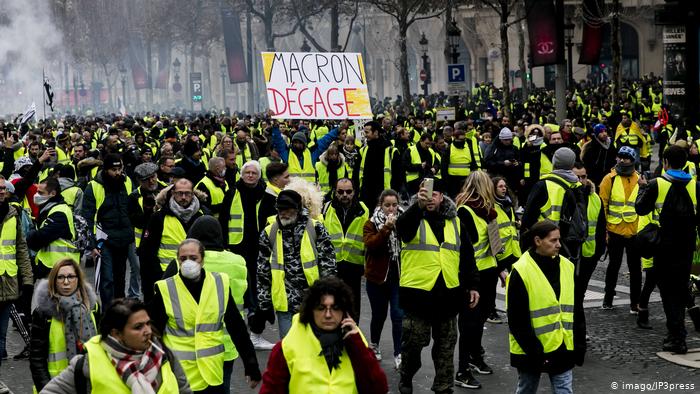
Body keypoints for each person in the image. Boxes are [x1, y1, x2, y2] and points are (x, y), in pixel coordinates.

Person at [396, 178, 480, 394]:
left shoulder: (455, 222)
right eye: (425, 193)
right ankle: (406, 375)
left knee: (445, 347)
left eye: (434, 194)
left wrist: (472, 285)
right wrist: (418, 206)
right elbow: (402, 229)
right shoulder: (412, 216)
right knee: (414, 343)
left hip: (448, 295)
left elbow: (467, 256)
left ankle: (444, 387)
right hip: (418, 295)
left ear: (442, 196)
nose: (430, 197)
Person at [150, 239, 261, 392]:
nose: (188, 262)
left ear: (202, 260)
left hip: (212, 373)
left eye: (193, 258)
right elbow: (153, 333)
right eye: (183, 259)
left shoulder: (219, 284)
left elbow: (237, 327)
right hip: (180, 376)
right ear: (178, 261)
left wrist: (251, 364)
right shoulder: (166, 289)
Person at [259, 276, 388, 394]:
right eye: (321, 308)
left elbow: (378, 389)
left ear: (345, 311)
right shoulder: (287, 348)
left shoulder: (356, 342)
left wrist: (357, 346)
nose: (328, 315)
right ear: (311, 310)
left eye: (335, 308)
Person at [40, 298, 192, 393]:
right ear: (116, 333)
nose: (147, 331)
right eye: (138, 327)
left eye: (148, 324)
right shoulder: (89, 362)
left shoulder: (164, 354)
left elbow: (184, 390)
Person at [635, 145, 700, 354]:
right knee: (680, 289)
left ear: (664, 162)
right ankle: (678, 334)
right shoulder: (696, 186)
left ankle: (677, 337)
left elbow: (640, 208)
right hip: (687, 245)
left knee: (668, 292)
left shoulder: (656, 184)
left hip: (664, 246)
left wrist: (642, 187)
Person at [506, 221, 584, 394]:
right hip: (531, 350)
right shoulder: (521, 270)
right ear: (537, 241)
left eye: (559, 240)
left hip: (562, 346)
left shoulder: (567, 266)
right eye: (553, 240)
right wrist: (536, 353)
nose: (558, 245)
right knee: (527, 389)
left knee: (564, 390)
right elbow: (517, 320)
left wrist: (579, 345)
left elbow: (577, 310)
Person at [257, 189, 337, 338]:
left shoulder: (315, 228)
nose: (284, 213)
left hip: (313, 300)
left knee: (314, 347)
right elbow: (263, 270)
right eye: (280, 209)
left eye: (288, 209)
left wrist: (328, 295)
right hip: (285, 302)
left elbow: (328, 265)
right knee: (289, 350)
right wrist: (264, 303)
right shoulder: (269, 233)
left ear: (298, 209)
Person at [218, 160, 272, 350]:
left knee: (258, 288)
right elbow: (223, 220)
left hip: (260, 247)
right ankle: (237, 329)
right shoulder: (232, 192)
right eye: (247, 172)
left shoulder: (266, 194)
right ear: (241, 174)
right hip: (236, 247)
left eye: (254, 173)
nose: (250, 175)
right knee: (238, 288)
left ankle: (255, 332)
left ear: (259, 175)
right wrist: (223, 245)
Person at [454, 171, 500, 389]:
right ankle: (462, 369)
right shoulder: (466, 212)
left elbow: (493, 243)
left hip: (489, 270)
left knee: (479, 321)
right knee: (469, 323)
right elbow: (466, 249)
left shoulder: (488, 212)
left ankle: (474, 356)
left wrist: (500, 267)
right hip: (474, 276)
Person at [30, 259, 98, 392]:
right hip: (55, 387)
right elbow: (37, 360)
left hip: (88, 385)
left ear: (78, 279)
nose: (66, 282)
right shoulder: (43, 313)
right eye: (60, 277)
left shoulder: (93, 308)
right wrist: (46, 389)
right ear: (54, 280)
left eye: (70, 277)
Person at [139, 178, 206, 303]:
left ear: (193, 194)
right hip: (166, 276)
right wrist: (151, 284)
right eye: (180, 193)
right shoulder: (159, 217)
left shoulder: (203, 216)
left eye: (187, 193)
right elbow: (147, 253)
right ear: (173, 193)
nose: (184, 197)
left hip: (196, 276)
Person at [363, 189, 404, 369]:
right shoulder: (371, 223)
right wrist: (386, 228)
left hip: (398, 276)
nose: (391, 209)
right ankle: (374, 344)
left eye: (394, 205)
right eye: (387, 205)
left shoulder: (402, 221)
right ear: (381, 205)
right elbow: (372, 246)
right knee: (379, 315)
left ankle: (398, 352)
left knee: (398, 315)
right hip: (377, 278)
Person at [0, 175, 33, 393]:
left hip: (7, 281)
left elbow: (21, 248)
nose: (1, 192)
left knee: (1, 338)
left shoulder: (14, 214)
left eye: (3, 188)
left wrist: (28, 278)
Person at [598, 146, 641, 311]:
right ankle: (608, 299)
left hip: (634, 232)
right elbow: (603, 206)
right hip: (614, 231)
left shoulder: (639, 179)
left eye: (626, 157)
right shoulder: (609, 179)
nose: (622, 160)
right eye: (620, 157)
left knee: (635, 269)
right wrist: (605, 232)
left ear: (633, 160)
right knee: (613, 267)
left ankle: (634, 304)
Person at [321, 178, 369, 322]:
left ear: (354, 192)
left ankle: (352, 337)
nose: (345, 195)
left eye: (348, 191)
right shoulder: (327, 209)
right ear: (335, 193)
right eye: (340, 191)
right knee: (332, 304)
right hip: (333, 264)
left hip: (354, 264)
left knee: (352, 305)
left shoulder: (363, 210)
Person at [27, 178, 80, 279]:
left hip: (61, 267)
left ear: (53, 193)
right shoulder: (48, 208)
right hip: (53, 265)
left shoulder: (60, 211)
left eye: (40, 193)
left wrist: (31, 235)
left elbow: (40, 238)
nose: (36, 195)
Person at [491, 176, 522, 322]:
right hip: (500, 250)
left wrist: (517, 223)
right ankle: (491, 311)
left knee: (515, 282)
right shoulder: (491, 206)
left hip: (513, 249)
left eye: (505, 186)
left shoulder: (508, 203)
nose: (504, 188)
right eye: (500, 186)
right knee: (493, 282)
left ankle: (513, 309)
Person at [353, 121, 402, 210]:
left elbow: (398, 176)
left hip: (384, 198)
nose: (365, 135)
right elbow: (356, 174)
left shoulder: (391, 151)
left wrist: (393, 195)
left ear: (376, 132)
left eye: (367, 132)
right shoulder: (363, 151)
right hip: (365, 197)